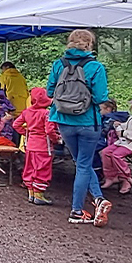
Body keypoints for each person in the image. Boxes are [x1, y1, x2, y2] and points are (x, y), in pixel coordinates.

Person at [46, 29, 111, 226]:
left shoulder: (59, 64)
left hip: (64, 121)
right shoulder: (95, 67)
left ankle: (99, 199)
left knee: (80, 162)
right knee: (84, 164)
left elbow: (50, 91)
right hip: (87, 122)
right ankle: (76, 210)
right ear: (90, 44)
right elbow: (101, 98)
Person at [13, 87, 59, 205]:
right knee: (42, 169)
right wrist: (56, 139)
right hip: (43, 146)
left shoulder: (27, 112)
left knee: (30, 168)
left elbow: (16, 125)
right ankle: (39, 195)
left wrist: (28, 133)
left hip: (30, 145)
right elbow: (49, 130)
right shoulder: (47, 113)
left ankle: (31, 194)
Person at [100, 112, 132, 194]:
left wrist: (123, 133)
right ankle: (110, 176)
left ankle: (126, 178)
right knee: (105, 152)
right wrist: (118, 125)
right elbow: (128, 126)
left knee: (116, 155)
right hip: (124, 142)